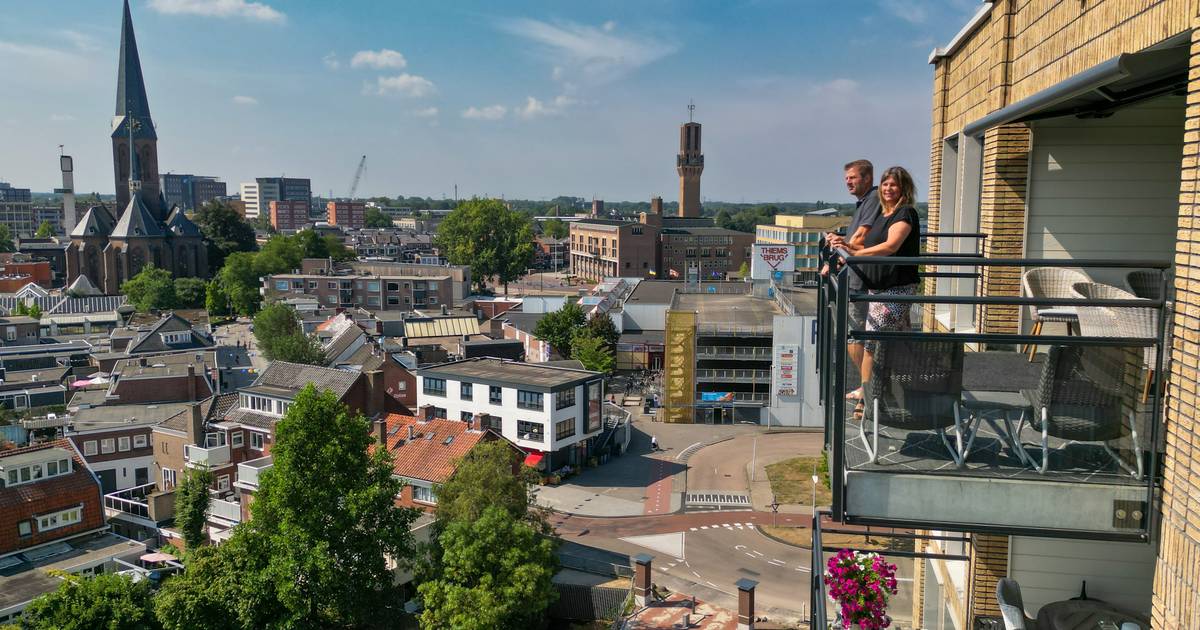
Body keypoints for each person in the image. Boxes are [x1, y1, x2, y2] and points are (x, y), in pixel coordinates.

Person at [827, 166, 921, 417]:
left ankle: (868, 399)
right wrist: (844, 245)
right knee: (897, 344)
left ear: (904, 188)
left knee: (871, 343)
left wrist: (855, 254)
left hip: (896, 290)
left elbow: (891, 246)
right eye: (886, 184)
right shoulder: (883, 214)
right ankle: (907, 389)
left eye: (894, 185)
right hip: (878, 289)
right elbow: (866, 241)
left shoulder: (905, 213)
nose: (888, 189)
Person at [822, 159, 881, 405]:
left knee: (855, 336)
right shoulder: (864, 202)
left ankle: (870, 389)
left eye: (853, 177)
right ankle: (869, 387)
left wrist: (843, 247)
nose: (848, 182)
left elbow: (862, 235)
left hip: (863, 280)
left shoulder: (873, 199)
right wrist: (839, 255)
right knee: (858, 337)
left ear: (867, 178)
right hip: (858, 275)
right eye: (846, 178)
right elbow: (857, 238)